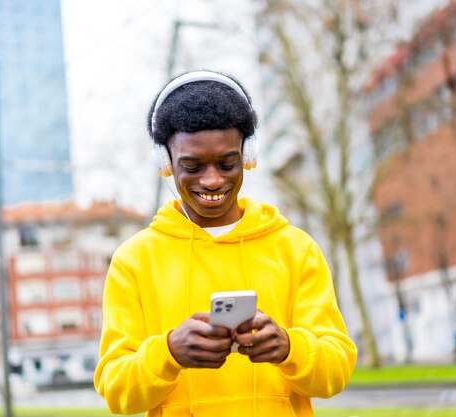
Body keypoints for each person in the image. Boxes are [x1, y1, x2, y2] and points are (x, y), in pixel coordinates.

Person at [94, 70, 357, 417]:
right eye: (192, 166)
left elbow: (335, 373)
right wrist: (168, 352)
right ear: (166, 163)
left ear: (248, 155)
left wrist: (289, 347)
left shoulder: (295, 249)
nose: (212, 179)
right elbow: (117, 392)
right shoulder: (134, 260)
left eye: (227, 163)